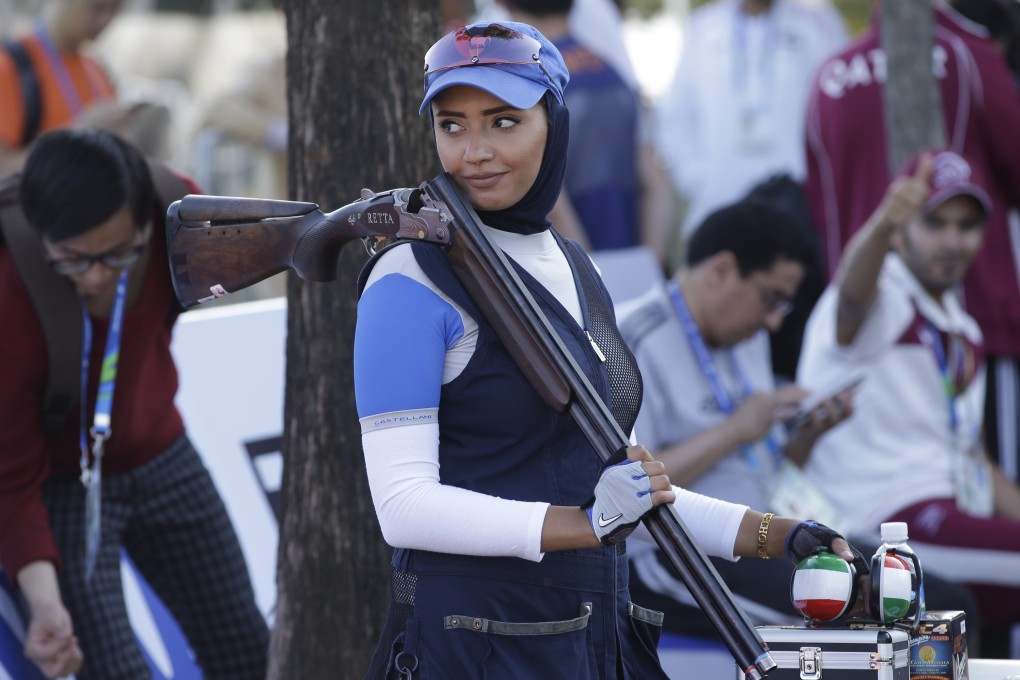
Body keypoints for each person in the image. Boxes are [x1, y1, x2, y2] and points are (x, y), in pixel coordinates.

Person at [354, 21, 867, 679]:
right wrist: (584, 524)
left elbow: (626, 488)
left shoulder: (576, 265)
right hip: (474, 648)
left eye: (503, 122)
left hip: (590, 634)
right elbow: (404, 508)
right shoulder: (408, 278)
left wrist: (781, 535)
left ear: (555, 122)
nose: (473, 150)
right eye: (452, 125)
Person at [618, 196, 983, 648]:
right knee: (861, 627)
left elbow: (759, 466)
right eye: (771, 299)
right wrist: (735, 430)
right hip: (671, 552)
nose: (774, 322)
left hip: (767, 534)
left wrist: (809, 434)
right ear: (721, 270)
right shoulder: (631, 339)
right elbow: (623, 485)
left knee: (937, 602)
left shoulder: (744, 335)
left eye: (784, 306)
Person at [0, 128, 269, 679]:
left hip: (161, 453)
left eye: (119, 254)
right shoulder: (10, 288)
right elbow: (11, 479)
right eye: (74, 261)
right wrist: (45, 605)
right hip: (60, 484)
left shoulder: (182, 219)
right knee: (113, 670)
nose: (98, 278)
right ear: (39, 234)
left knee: (248, 649)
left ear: (148, 223)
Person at [798, 149, 1020, 650]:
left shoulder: (963, 326)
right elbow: (854, 297)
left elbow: (975, 458)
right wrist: (882, 225)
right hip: (881, 533)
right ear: (901, 230)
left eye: (966, 226)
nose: (951, 241)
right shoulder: (882, 294)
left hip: (950, 518)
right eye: (934, 222)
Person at [803, 1, 1020, 488]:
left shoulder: (826, 77)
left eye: (962, 222)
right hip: (969, 309)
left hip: (868, 330)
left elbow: (818, 207)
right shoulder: (968, 53)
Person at [655, 0, 847, 239]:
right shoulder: (702, 25)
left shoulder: (819, 21)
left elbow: (841, 111)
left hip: (797, 209)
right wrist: (696, 180)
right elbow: (677, 116)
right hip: (717, 206)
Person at [496, 0, 674, 259]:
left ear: (504, 6)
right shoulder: (614, 74)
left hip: (575, 273)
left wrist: (592, 280)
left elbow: (552, 199)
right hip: (629, 261)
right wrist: (647, 269)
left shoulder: (534, 82)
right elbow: (656, 186)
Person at [0, 0, 167, 176]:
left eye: (115, 9)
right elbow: (3, 169)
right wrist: (78, 133)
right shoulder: (10, 66)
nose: (105, 19)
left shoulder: (97, 69)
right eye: (97, 7)